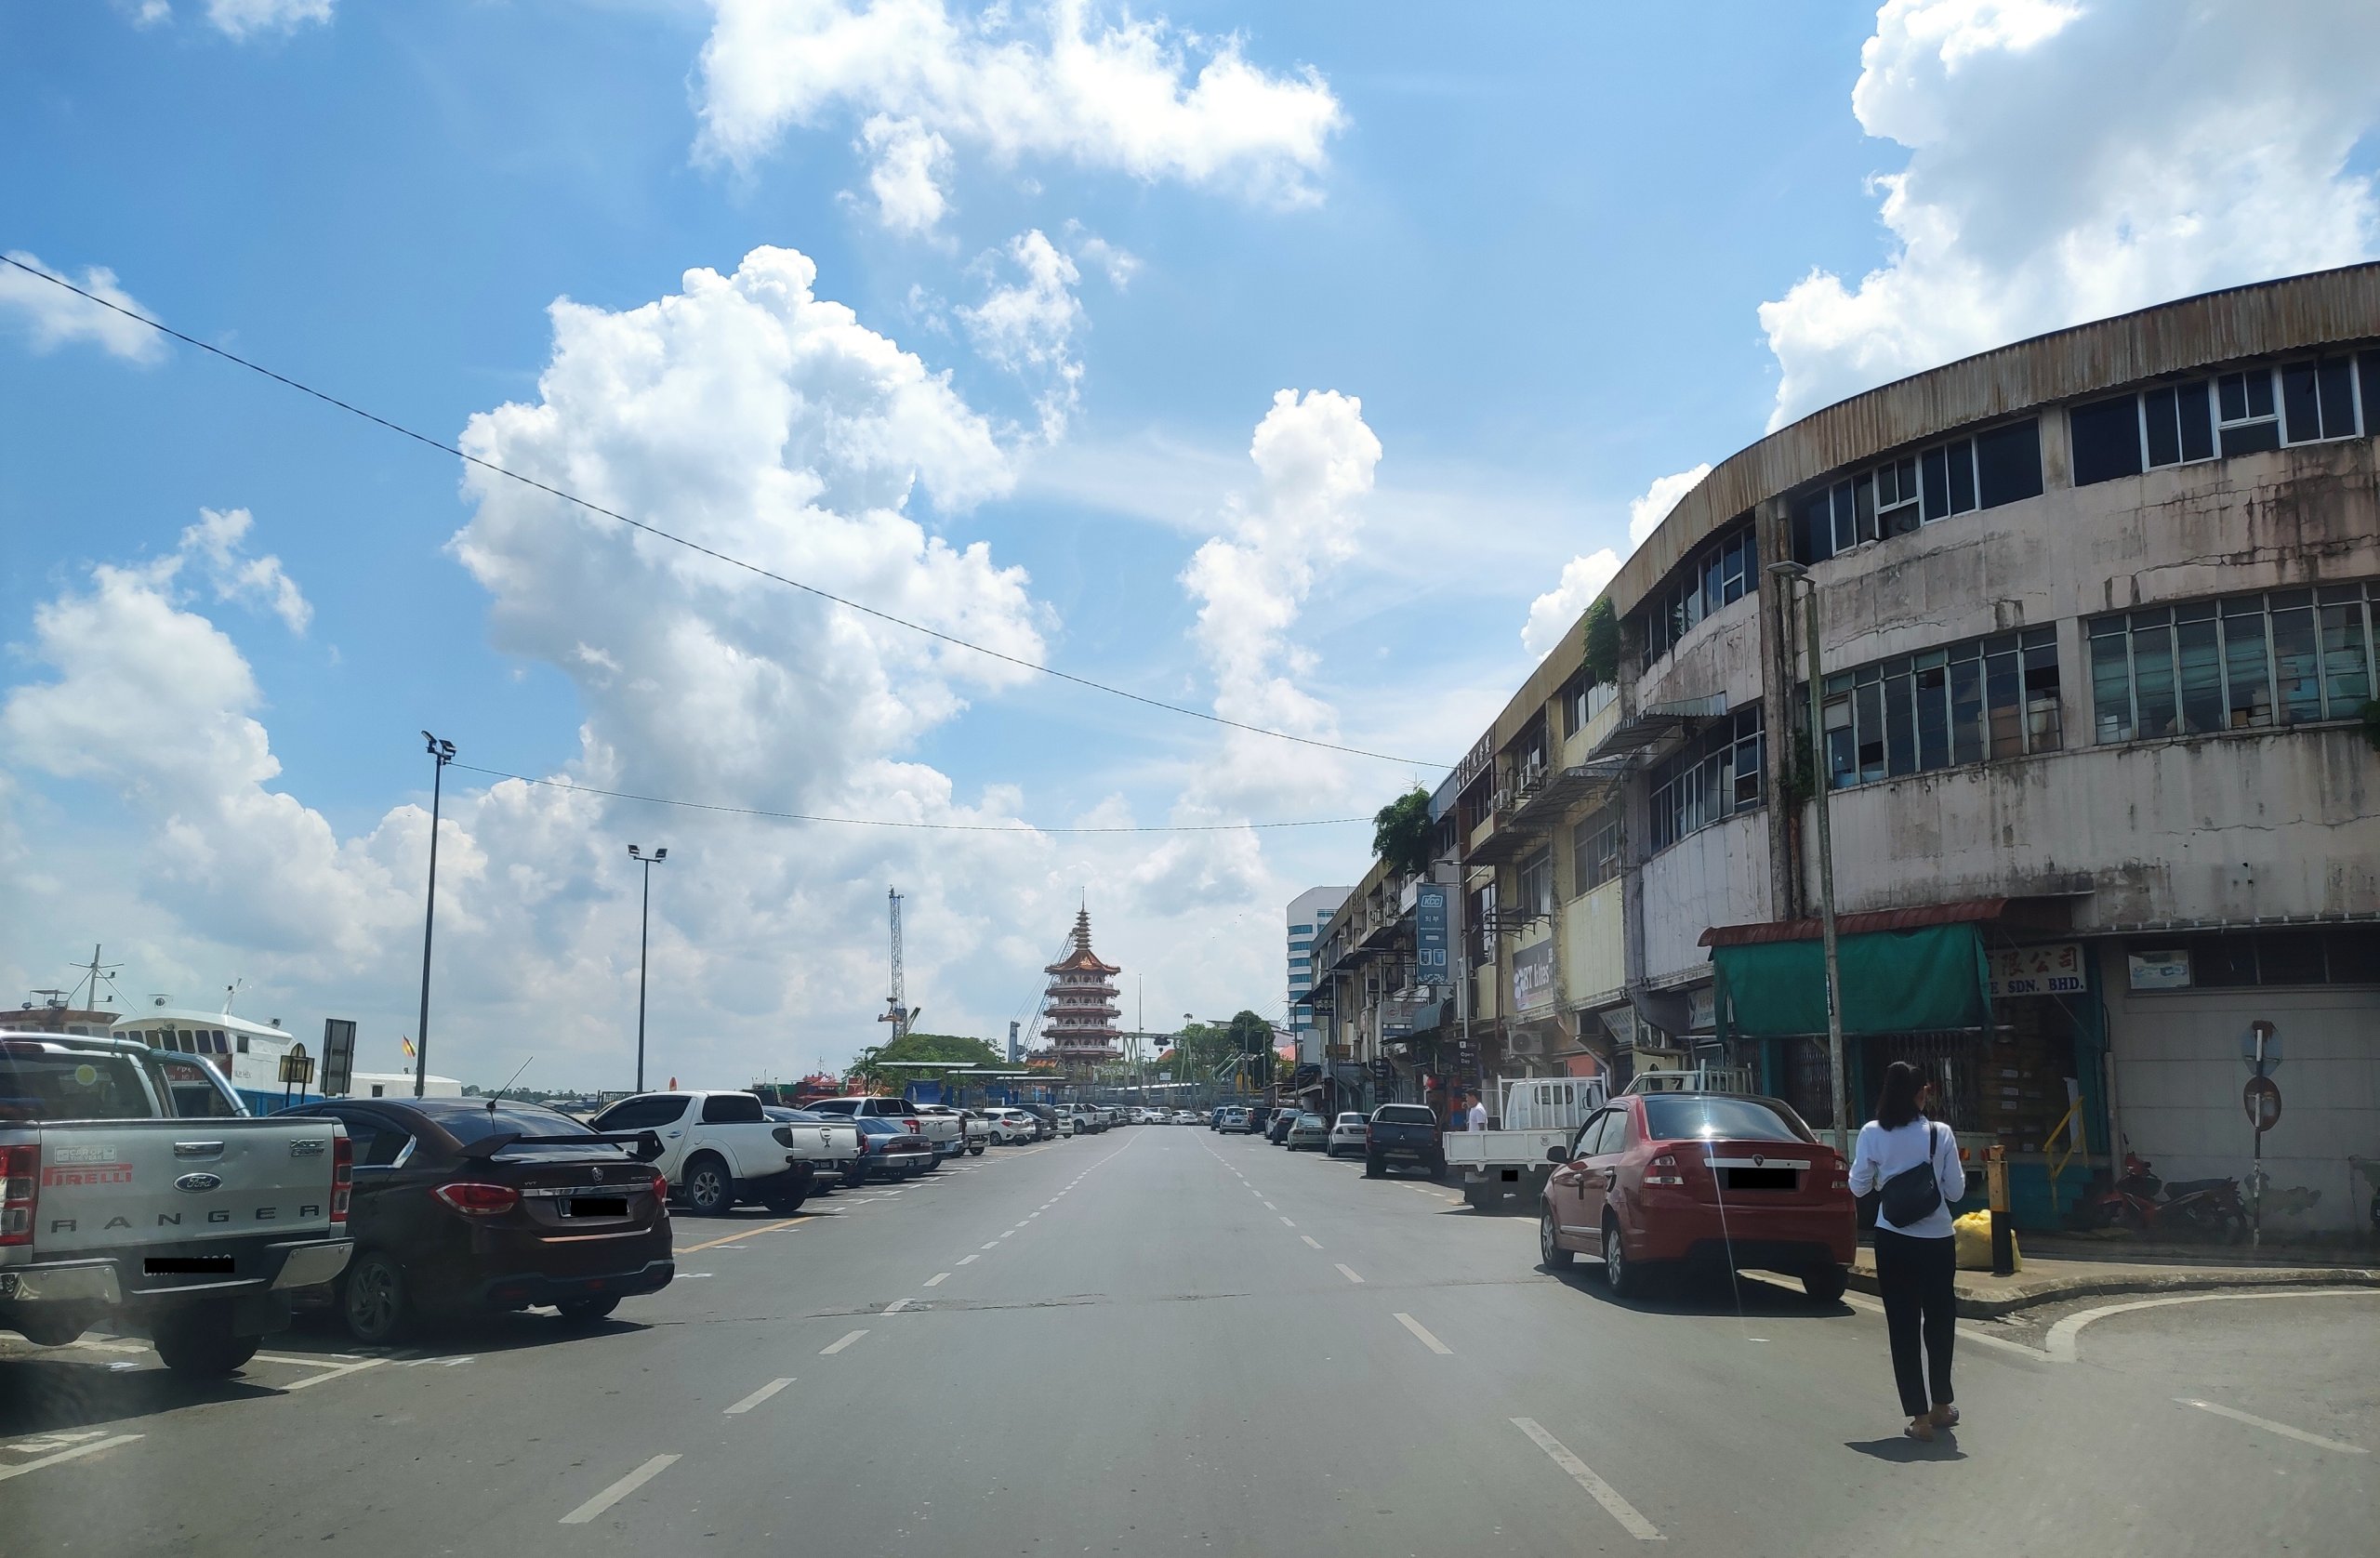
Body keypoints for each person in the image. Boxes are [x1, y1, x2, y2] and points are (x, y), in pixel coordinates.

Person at [1846, 1061, 1966, 1441]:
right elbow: (1955, 1192)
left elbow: (1859, 1187)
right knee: (1940, 1319)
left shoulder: (1871, 1133)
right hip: (1937, 1240)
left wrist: (1887, 1176)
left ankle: (1918, 1417)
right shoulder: (1940, 1133)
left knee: (1902, 1325)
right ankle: (1942, 1404)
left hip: (1892, 1238)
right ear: (1920, 1094)